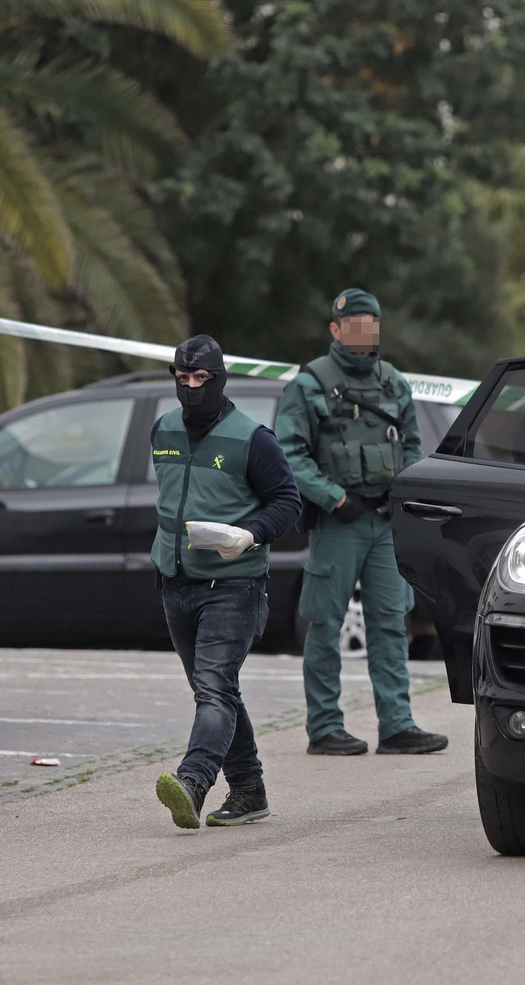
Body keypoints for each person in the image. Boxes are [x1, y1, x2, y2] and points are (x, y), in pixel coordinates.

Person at [275, 289, 448, 756]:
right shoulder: (309, 384)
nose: (363, 331)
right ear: (335, 329)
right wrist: (335, 499)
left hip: (384, 522)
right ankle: (325, 727)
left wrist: (405, 488)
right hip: (340, 522)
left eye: (370, 323)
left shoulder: (394, 382)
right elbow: (288, 454)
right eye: (353, 324)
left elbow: (412, 445)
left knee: (391, 623)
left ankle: (397, 725)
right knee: (324, 623)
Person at [152, 336, 303, 829]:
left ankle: (193, 782)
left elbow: (288, 502)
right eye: (183, 378)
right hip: (175, 581)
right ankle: (250, 791)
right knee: (218, 690)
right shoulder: (164, 429)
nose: (191, 388)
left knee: (213, 690)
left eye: (201, 379)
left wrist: (251, 535)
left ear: (219, 380)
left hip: (234, 585)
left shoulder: (252, 437)